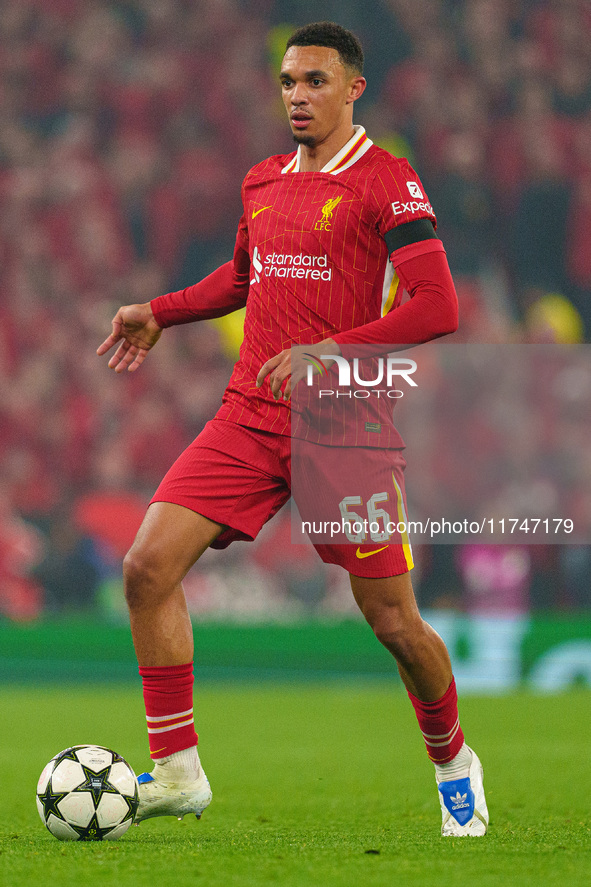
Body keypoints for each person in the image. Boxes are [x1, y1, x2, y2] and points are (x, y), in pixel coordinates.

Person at [98, 21, 488, 837]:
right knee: (145, 567)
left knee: (393, 623)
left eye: (315, 81)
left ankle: (453, 760)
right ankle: (176, 770)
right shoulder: (263, 181)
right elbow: (243, 278)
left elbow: (437, 306)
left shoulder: (388, 181)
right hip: (250, 413)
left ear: (353, 88)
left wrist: (331, 351)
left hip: (345, 426)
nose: (298, 97)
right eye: (287, 82)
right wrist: (158, 313)